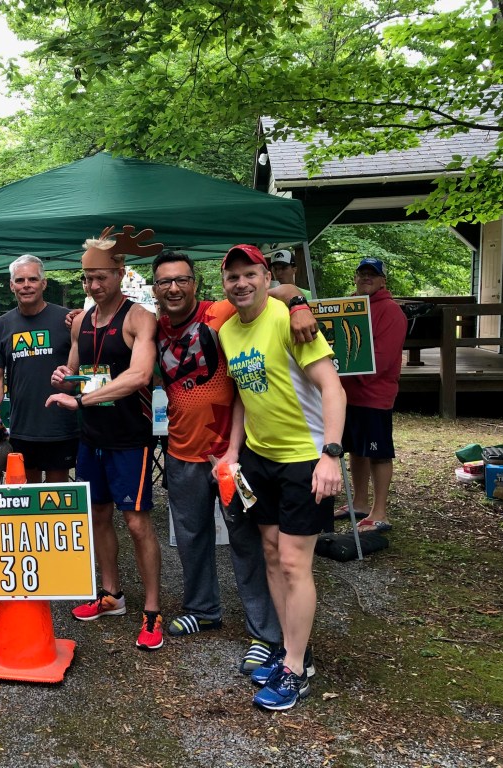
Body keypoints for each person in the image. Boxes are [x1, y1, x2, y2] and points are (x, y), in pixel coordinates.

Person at [152, 248, 319, 674]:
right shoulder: (155, 327)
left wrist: (299, 305)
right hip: (181, 451)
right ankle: (202, 609)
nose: (174, 288)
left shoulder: (221, 311)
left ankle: (266, 632)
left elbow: (282, 289)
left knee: (248, 542)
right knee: (191, 536)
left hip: (233, 455)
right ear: (155, 289)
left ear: (195, 283)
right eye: (165, 281)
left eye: (182, 280)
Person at [217, 244, 346, 711]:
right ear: (223, 283)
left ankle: (295, 671)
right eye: (232, 276)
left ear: (266, 276)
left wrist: (331, 455)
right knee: (271, 554)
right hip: (259, 459)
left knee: (294, 562)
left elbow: (332, 387)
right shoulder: (228, 330)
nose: (241, 283)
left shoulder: (290, 320)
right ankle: (293, 651)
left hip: (304, 458)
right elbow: (241, 394)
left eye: (250, 274)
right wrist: (233, 451)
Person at [46, 225, 165, 651]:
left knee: (136, 522)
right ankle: (111, 594)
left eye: (100, 277)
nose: (94, 286)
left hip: (130, 437)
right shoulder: (81, 322)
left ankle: (152, 610)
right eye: (87, 279)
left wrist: (82, 398)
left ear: (119, 273)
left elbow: (140, 375)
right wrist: (64, 378)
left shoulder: (139, 317)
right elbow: (73, 373)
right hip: (91, 436)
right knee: (97, 516)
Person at [0, 254, 79, 483]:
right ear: (11, 285)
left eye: (33, 279)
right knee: (27, 492)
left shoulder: (67, 320)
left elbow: (81, 369)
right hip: (22, 427)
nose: (26, 285)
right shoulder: (1, 325)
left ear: (44, 283)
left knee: (57, 492)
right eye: (20, 280)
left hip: (59, 425)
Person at [341, 258, 406, 533]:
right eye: (362, 273)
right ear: (355, 278)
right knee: (356, 449)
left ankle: (380, 513)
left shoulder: (391, 311)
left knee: (379, 453)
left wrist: (345, 370)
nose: (366, 277)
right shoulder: (349, 306)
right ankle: (359, 503)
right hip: (348, 394)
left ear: (382, 281)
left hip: (374, 395)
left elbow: (382, 358)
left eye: (372, 274)